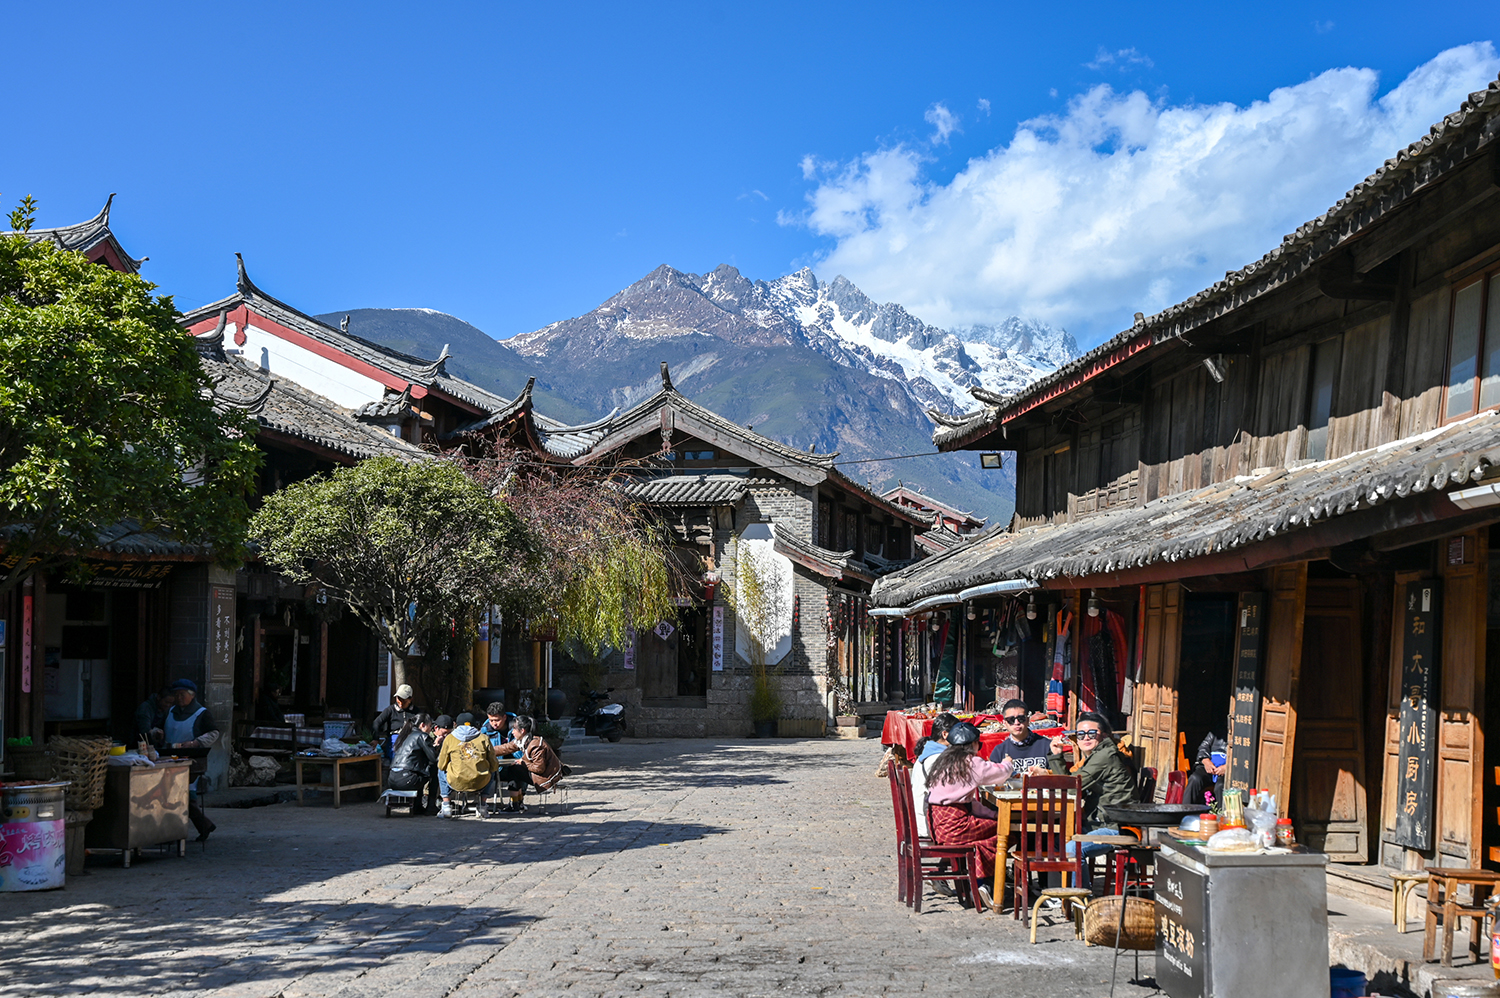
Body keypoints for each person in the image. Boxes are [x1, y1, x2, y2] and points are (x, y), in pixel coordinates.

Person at [1040, 711, 1137, 886]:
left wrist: (1056, 757)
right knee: (1055, 841)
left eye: (1092, 733)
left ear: (1104, 735)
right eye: (1080, 734)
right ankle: (1058, 894)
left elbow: (1070, 786)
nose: (1086, 737)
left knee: (1073, 849)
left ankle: (1082, 901)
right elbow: (1072, 785)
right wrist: (1056, 757)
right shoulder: (1097, 755)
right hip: (1102, 821)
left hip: (1116, 826)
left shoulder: (1105, 756)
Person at [924, 721, 1014, 909]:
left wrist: (992, 814)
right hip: (956, 826)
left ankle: (983, 883)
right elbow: (1000, 774)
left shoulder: (943, 760)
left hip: (938, 824)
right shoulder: (970, 762)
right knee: (1009, 830)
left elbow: (967, 802)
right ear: (973, 744)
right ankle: (984, 882)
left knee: (994, 828)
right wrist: (1008, 763)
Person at [164, 678, 219, 843]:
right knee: (175, 795)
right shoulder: (171, 711)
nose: (179, 698)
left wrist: (196, 742)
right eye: (177, 694)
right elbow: (161, 726)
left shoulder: (201, 713)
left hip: (190, 760)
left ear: (192, 695)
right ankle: (202, 826)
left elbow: (214, 733)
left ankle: (186, 829)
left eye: (182, 694)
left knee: (185, 794)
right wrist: (156, 732)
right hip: (168, 758)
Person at [493, 714, 562, 815]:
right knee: (514, 769)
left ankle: (515, 804)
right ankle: (517, 803)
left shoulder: (535, 745)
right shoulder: (522, 741)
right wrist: (486, 750)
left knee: (514, 770)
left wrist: (523, 763)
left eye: (514, 729)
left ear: (522, 730)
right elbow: (505, 748)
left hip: (547, 777)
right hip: (537, 773)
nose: (512, 732)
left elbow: (539, 769)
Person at [436, 712, 497, 818]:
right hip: (480, 782)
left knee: (440, 771)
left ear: (456, 725)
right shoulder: (484, 738)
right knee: (492, 770)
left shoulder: (449, 739)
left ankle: (446, 806)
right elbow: (494, 765)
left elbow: (441, 765)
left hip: (456, 782)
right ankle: (482, 806)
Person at [388, 713, 438, 811]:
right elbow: (433, 758)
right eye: (430, 726)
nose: (431, 729)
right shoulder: (422, 736)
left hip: (392, 778)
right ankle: (430, 806)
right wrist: (436, 744)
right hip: (406, 779)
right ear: (423, 725)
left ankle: (417, 805)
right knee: (434, 770)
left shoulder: (404, 735)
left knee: (418, 773)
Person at [988, 699, 1049, 774]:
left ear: (1028, 720)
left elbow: (1061, 777)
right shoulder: (999, 751)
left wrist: (1046, 772)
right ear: (1004, 723)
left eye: (1021, 718)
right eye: (1011, 720)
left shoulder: (1046, 746)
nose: (1016, 723)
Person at [478, 702, 519, 812]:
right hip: (495, 766)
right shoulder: (486, 730)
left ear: (504, 717)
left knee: (517, 769)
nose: (494, 724)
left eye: (497, 720)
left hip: (515, 762)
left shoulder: (518, 727)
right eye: (491, 720)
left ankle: (516, 802)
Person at [373, 684, 420, 760]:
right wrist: (375, 739)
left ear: (410, 699)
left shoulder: (416, 712)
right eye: (399, 699)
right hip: (395, 739)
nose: (401, 703)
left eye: (404, 701)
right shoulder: (390, 710)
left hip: (411, 739)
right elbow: (376, 722)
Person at [1184, 729, 1228, 808]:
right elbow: (1203, 747)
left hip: (1226, 771)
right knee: (1194, 778)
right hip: (1210, 767)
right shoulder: (1215, 732)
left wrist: (1227, 767)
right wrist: (1206, 761)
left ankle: (1220, 815)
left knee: (1220, 786)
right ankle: (1185, 811)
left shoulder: (1240, 736)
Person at [429, 714, 454, 814]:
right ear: (436, 728)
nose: (446, 736)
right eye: (444, 733)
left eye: (449, 734)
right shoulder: (428, 737)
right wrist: (436, 745)